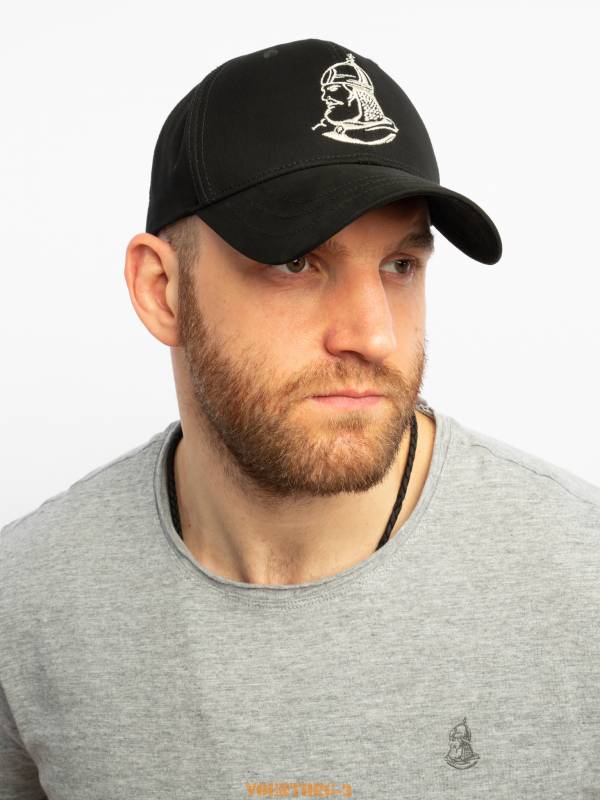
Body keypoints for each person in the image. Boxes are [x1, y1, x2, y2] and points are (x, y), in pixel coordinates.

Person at [1, 38, 598, 800]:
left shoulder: (582, 587)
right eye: (296, 262)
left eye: (400, 266)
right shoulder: (26, 610)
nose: (374, 335)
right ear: (161, 290)